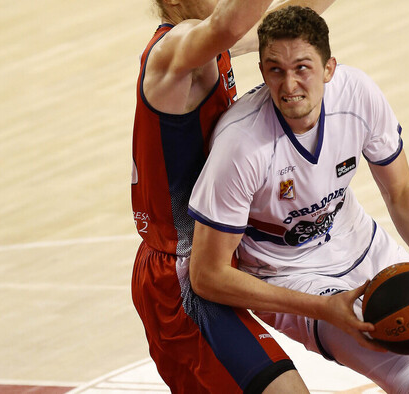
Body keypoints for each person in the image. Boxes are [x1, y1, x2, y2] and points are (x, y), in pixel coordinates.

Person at [187, 6, 409, 394]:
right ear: (263, 72)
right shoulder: (241, 145)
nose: (289, 85)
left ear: (329, 68)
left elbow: (401, 191)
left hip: (364, 248)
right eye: (275, 70)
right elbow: (206, 275)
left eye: (302, 68)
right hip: (291, 277)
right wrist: (322, 309)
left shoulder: (358, 94)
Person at [130, 1, 334, 393]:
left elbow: (294, 15)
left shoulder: (211, 44)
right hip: (180, 276)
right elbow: (229, 22)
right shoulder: (174, 50)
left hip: (217, 255)